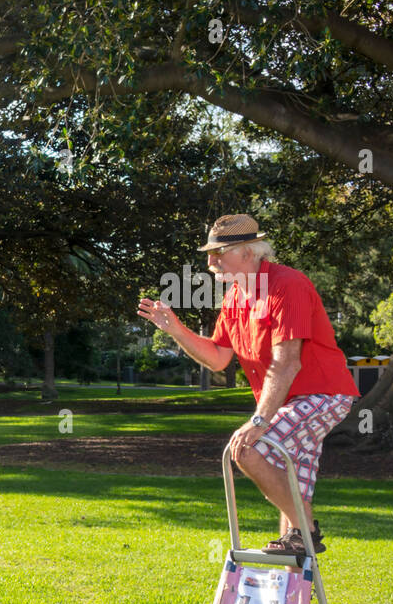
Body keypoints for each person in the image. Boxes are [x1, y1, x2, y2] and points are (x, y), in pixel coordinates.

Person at [138, 214, 359, 554]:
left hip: (323, 394)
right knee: (292, 494)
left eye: (218, 253)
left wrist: (259, 420)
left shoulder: (289, 285)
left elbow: (288, 362)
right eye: (209, 254)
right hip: (288, 402)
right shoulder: (234, 298)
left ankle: (307, 532)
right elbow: (218, 358)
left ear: (248, 252)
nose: (211, 262)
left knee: (247, 450)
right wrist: (176, 330)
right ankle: (297, 593)